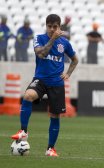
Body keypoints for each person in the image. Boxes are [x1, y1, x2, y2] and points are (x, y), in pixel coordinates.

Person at [11, 14, 79, 157]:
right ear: (46, 26)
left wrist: (68, 74)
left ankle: (50, 149)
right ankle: (23, 131)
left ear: (59, 27)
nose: (52, 29)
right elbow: (41, 54)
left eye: (55, 27)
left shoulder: (65, 43)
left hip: (56, 83)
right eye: (50, 26)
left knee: (55, 115)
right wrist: (53, 39)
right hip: (40, 79)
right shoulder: (39, 38)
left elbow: (74, 59)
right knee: (28, 95)